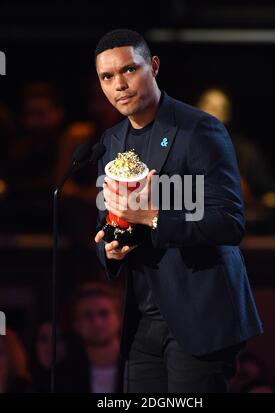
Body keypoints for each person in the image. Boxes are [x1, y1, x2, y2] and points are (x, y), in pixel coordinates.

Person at [94, 29, 263, 393]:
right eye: (107, 77)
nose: (119, 85)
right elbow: (106, 218)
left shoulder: (200, 130)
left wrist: (153, 217)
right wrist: (108, 248)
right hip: (142, 322)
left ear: (153, 66)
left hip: (201, 317)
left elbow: (229, 222)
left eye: (129, 70)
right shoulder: (111, 141)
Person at [59, 282, 124, 393]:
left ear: (119, 319)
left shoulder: (140, 367)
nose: (97, 322)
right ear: (76, 324)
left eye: (104, 313)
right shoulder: (63, 374)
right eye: (87, 315)